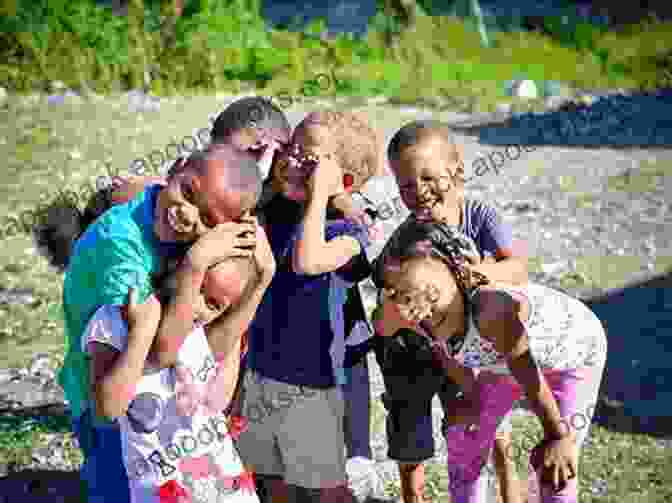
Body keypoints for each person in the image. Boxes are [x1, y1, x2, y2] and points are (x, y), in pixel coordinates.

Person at [44, 143, 264, 503]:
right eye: (188, 192)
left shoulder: (178, 236)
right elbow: (159, 351)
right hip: (105, 400)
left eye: (208, 220)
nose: (187, 215)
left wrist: (261, 275)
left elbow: (205, 347)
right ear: (176, 168)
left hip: (155, 401)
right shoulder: (121, 248)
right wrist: (195, 264)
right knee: (116, 488)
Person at [373, 221, 607, 503]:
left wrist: (556, 435)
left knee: (556, 465)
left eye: (430, 289)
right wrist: (472, 397)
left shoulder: (491, 309)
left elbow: (528, 374)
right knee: (465, 435)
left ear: (458, 272)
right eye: (405, 294)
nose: (425, 306)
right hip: (504, 366)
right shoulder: (417, 313)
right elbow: (436, 346)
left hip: (574, 355)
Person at [371, 120, 529, 503]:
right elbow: (384, 290)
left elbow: (517, 267)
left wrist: (472, 274)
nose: (419, 191)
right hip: (410, 354)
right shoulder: (406, 237)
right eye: (406, 185)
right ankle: (414, 497)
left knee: (495, 435)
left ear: (456, 169)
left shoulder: (479, 216)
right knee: (410, 442)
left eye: (428, 177)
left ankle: (510, 493)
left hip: (466, 347)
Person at [234, 110, 374, 503]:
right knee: (271, 479)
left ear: (340, 182)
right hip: (260, 371)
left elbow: (308, 261)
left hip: (313, 383)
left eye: (308, 158)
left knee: (325, 489)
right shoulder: (276, 209)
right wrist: (262, 172)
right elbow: (234, 209)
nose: (293, 160)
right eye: (291, 148)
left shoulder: (349, 231)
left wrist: (321, 196)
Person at [82, 232, 274, 503]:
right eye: (197, 284)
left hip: (224, 485)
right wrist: (140, 333)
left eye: (212, 304)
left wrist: (262, 280)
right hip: (163, 491)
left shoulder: (207, 333)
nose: (197, 305)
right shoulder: (118, 319)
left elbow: (217, 402)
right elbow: (106, 409)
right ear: (176, 265)